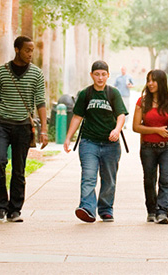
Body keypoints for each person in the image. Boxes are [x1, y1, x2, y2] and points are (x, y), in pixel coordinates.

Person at [0, 36, 49, 223]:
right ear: (17, 50)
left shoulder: (36, 74)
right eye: (27, 50)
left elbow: (41, 102)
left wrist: (43, 130)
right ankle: (0, 207)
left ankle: (15, 209)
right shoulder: (2, 72)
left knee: (19, 169)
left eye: (32, 50)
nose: (30, 54)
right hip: (2, 124)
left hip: (23, 127)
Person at [64, 60, 129, 223]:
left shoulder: (113, 93)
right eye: (97, 74)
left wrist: (117, 130)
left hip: (110, 144)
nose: (100, 77)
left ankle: (106, 209)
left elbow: (121, 115)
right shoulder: (85, 94)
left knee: (109, 178)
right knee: (88, 176)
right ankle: (87, 208)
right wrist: (68, 138)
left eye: (103, 74)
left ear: (108, 75)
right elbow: (77, 116)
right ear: (91, 75)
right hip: (89, 142)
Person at [132, 69, 168, 225]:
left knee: (165, 180)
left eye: (153, 80)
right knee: (149, 180)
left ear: (161, 82)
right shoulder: (142, 102)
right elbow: (136, 127)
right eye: (148, 80)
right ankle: (151, 210)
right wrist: (156, 130)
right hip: (148, 147)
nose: (150, 84)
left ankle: (162, 212)